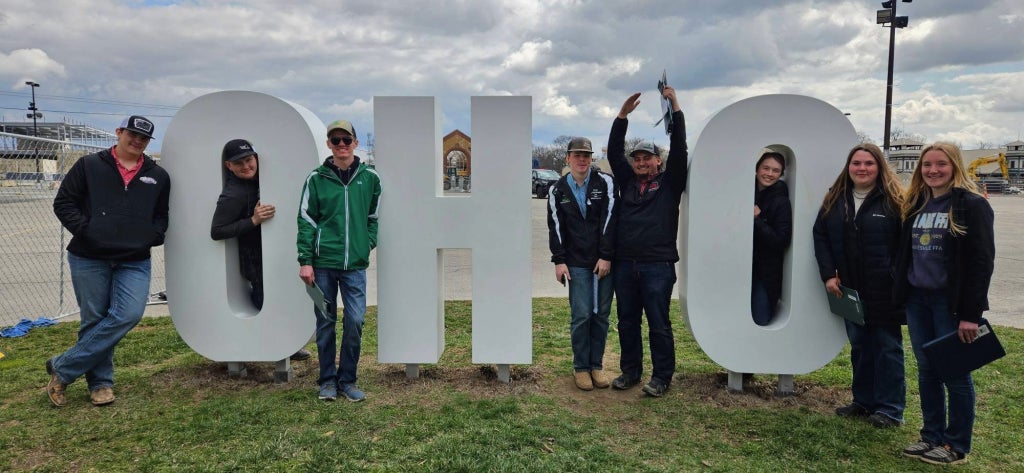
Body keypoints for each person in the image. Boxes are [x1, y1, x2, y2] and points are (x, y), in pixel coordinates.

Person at [47, 115, 170, 407]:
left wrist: (152, 235)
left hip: (134, 258)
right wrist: (89, 231)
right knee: (95, 319)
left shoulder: (158, 176)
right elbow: (64, 204)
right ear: (119, 132)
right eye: (132, 134)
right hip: (89, 256)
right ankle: (101, 384)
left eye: (143, 138)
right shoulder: (89, 165)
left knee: (128, 314)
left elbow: (161, 215)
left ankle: (62, 366)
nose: (137, 140)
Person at [894, 142, 995, 465]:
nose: (933, 170)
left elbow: (981, 263)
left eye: (941, 164)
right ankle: (931, 436)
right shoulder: (917, 204)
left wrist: (970, 314)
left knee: (955, 372)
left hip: (948, 304)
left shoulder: (971, 205)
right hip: (918, 299)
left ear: (955, 167)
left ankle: (956, 445)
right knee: (927, 371)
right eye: (927, 165)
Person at [812, 143, 906, 429]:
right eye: (856, 163)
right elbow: (820, 237)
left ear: (879, 167)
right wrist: (829, 274)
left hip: (885, 290)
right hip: (850, 289)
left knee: (887, 348)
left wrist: (896, 277)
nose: (862, 168)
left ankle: (890, 409)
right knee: (861, 346)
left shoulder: (894, 200)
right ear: (848, 167)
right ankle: (863, 401)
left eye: (868, 163)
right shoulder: (835, 199)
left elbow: (905, 248)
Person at [606, 86, 688, 397]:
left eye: (647, 158)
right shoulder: (626, 183)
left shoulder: (670, 183)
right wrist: (622, 116)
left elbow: (679, 148)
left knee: (658, 323)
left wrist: (676, 107)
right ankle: (631, 372)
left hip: (658, 266)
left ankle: (662, 377)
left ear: (658, 161)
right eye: (637, 158)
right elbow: (615, 152)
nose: (641, 162)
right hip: (625, 264)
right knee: (627, 321)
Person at [297, 120, 381, 402]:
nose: (341, 145)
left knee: (355, 320)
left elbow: (373, 218)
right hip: (321, 266)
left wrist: (366, 243)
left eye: (346, 139)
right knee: (325, 322)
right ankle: (327, 381)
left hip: (354, 267)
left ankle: (348, 380)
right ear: (329, 145)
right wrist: (305, 260)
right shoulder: (316, 179)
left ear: (355, 143)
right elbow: (306, 221)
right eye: (336, 141)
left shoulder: (370, 178)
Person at [210, 139, 311, 361]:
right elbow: (217, 231)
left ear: (256, 158)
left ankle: (285, 346)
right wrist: (253, 220)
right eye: (239, 164)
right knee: (264, 300)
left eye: (249, 160)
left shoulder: (264, 179)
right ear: (229, 166)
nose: (246, 166)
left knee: (282, 299)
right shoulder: (232, 194)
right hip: (255, 259)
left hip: (275, 252)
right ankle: (274, 346)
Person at [547, 137, 617, 391]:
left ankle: (596, 366)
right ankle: (581, 368)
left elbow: (610, 220)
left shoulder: (605, 183)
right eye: (577, 155)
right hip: (575, 263)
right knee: (582, 315)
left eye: (586, 155)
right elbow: (555, 228)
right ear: (568, 158)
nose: (582, 160)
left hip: (603, 262)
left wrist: (606, 255)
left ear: (591, 158)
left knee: (601, 315)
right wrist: (559, 261)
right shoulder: (558, 190)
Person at [751, 151, 792, 326]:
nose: (769, 173)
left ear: (781, 174)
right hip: (738, 265)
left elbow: (781, 240)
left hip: (764, 271)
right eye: (765, 168)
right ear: (757, 168)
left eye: (775, 170)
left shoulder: (781, 201)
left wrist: (757, 220)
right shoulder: (743, 189)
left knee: (760, 317)